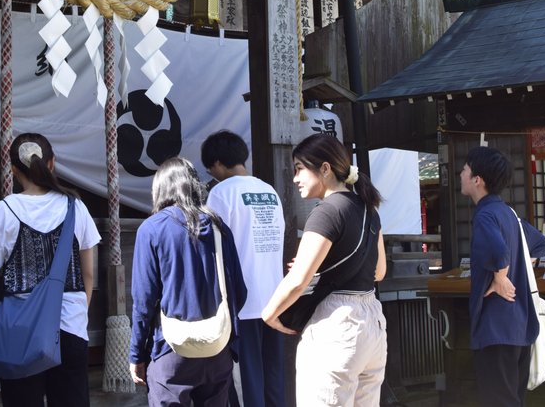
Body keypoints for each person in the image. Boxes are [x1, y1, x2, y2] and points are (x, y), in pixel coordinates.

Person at [0, 133, 101, 407]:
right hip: (70, 327)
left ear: (13, 169)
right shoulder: (76, 206)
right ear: (52, 163)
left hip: (22, 331)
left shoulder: (5, 210)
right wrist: (77, 312)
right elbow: (89, 274)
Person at [261, 133, 387, 407]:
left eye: (300, 168)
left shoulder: (326, 212)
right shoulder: (369, 209)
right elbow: (379, 272)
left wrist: (269, 314)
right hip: (372, 323)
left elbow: (298, 279)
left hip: (337, 325)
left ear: (325, 169)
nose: (295, 178)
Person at [129, 157, 248, 406]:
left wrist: (136, 355)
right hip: (217, 349)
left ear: (160, 188)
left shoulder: (152, 229)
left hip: (171, 350)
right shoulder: (219, 227)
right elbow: (239, 290)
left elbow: (143, 302)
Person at [200, 130, 286, 407]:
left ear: (217, 164)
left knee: (246, 380)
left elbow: (213, 248)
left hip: (242, 302)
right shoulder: (269, 191)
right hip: (275, 298)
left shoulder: (220, 193)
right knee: (273, 374)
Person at [459, 146, 545, 406]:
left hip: (496, 326)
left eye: (465, 170)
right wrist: (518, 266)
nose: (461, 174)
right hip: (519, 325)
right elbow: (539, 242)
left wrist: (501, 276)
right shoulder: (509, 213)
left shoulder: (485, 214)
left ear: (478, 179)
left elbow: (498, 252)